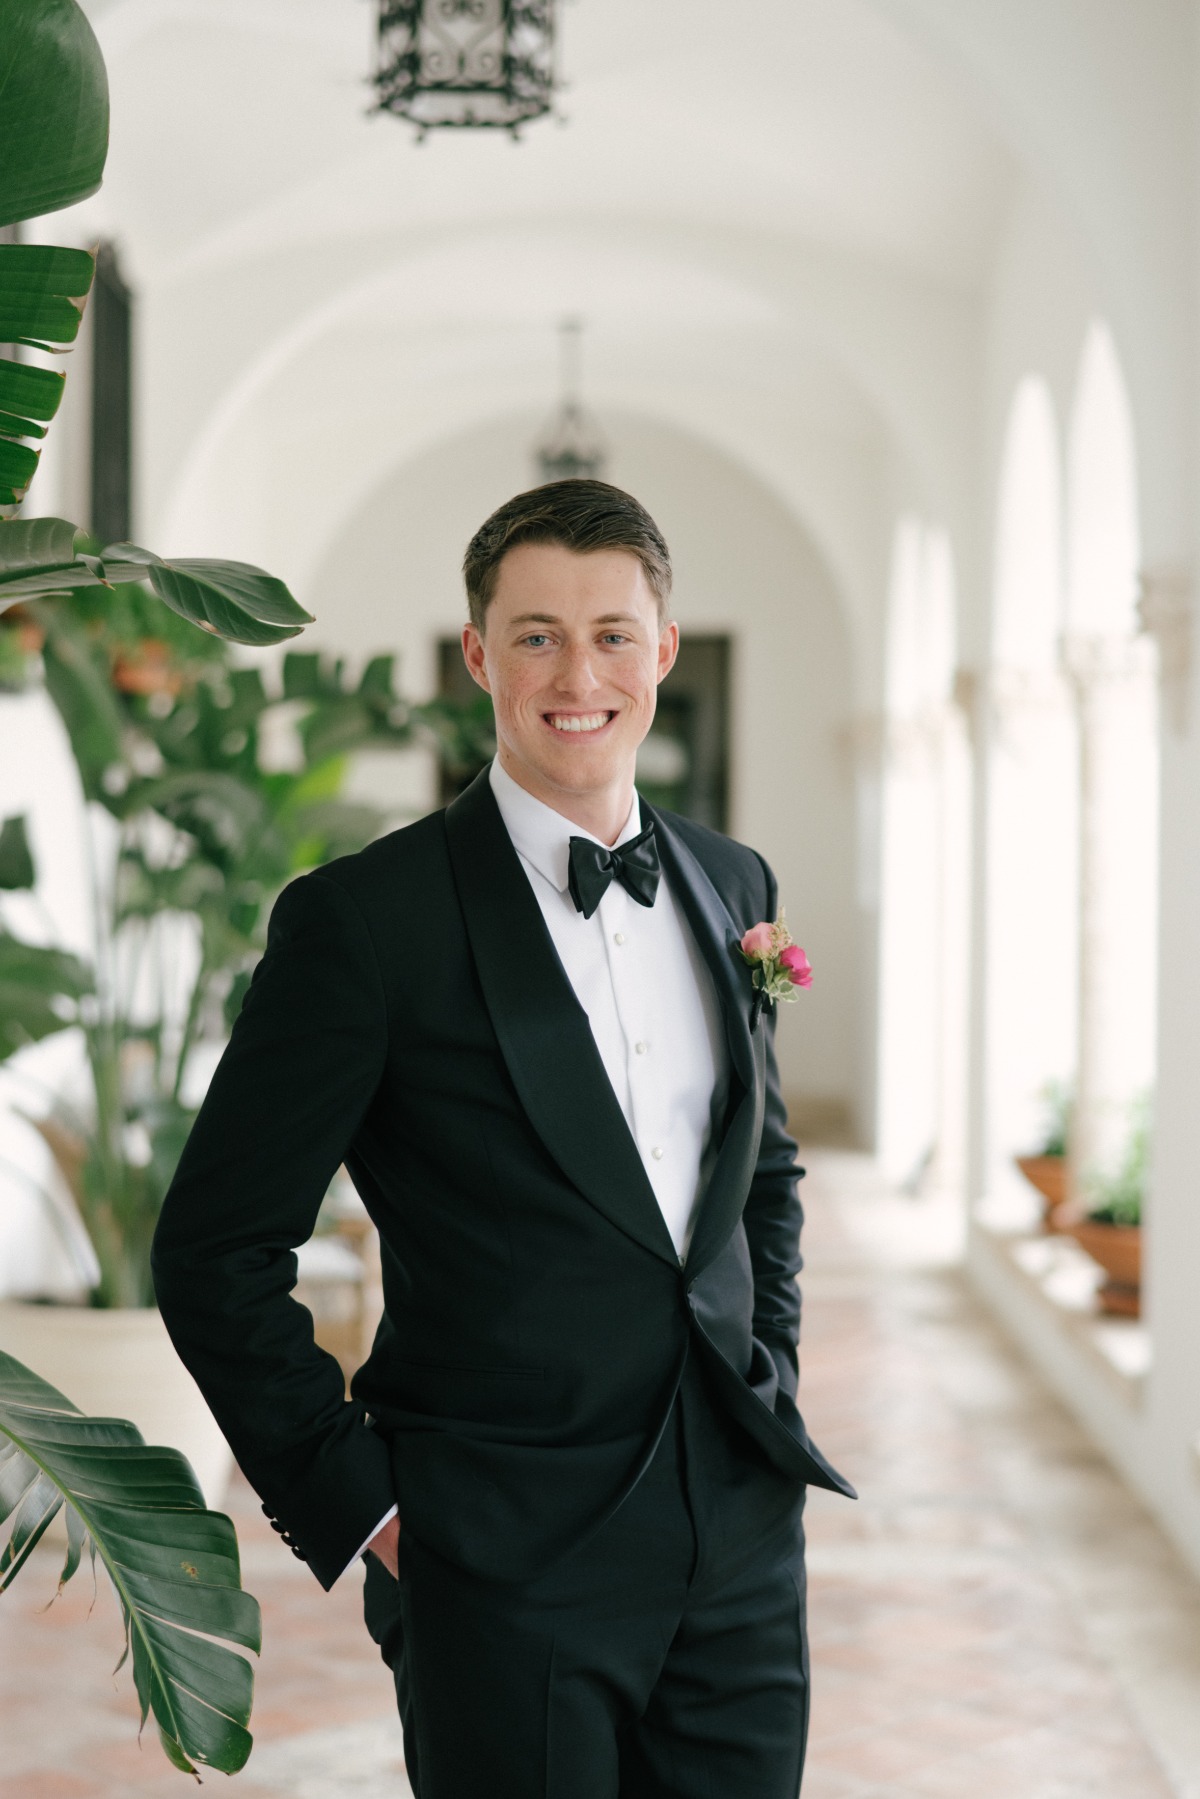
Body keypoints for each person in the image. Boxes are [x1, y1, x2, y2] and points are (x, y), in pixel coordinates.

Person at [152, 478, 854, 1799]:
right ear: (478, 655)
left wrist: (772, 1377)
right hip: (500, 1558)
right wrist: (366, 1507)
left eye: (609, 634)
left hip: (740, 1544)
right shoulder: (365, 924)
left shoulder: (732, 882)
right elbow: (212, 1249)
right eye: (535, 634)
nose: (574, 673)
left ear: (665, 651)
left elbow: (758, 1171)